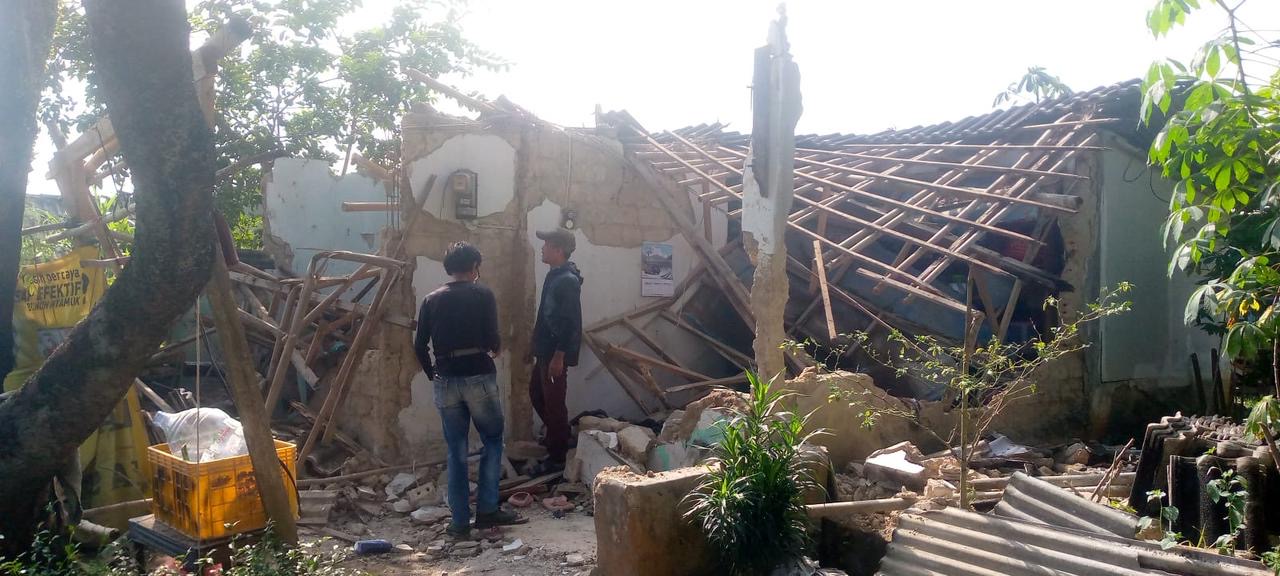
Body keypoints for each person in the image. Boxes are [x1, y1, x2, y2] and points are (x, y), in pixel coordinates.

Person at [414, 242, 523, 538]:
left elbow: (419, 345)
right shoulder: (482, 294)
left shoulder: (431, 299)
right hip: (478, 375)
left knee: (456, 450)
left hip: (446, 379)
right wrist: (494, 348)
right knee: (492, 440)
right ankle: (487, 511)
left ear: (449, 267)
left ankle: (459, 522)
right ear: (475, 266)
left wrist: (433, 373)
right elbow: (493, 338)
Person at [529, 228, 583, 472]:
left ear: (558, 250)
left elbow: (571, 322)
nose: (542, 248)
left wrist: (559, 356)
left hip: (554, 354)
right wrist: (533, 346)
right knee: (537, 394)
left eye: (547, 245)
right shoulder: (555, 275)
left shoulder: (567, 281)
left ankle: (558, 456)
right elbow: (545, 315)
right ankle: (558, 435)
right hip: (544, 350)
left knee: (553, 402)